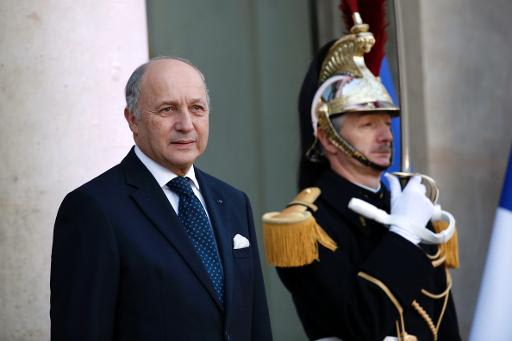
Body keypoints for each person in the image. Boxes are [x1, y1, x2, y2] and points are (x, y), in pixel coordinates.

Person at [50, 57, 273, 341]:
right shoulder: (92, 209)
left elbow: (256, 325)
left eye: (197, 108)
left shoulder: (233, 202)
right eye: (167, 109)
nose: (186, 124)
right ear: (133, 119)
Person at [270, 13, 461, 341]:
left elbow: (444, 327)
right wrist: (402, 234)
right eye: (368, 124)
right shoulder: (308, 226)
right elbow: (361, 323)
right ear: (328, 139)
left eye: (387, 123)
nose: (386, 135)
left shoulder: (410, 205)